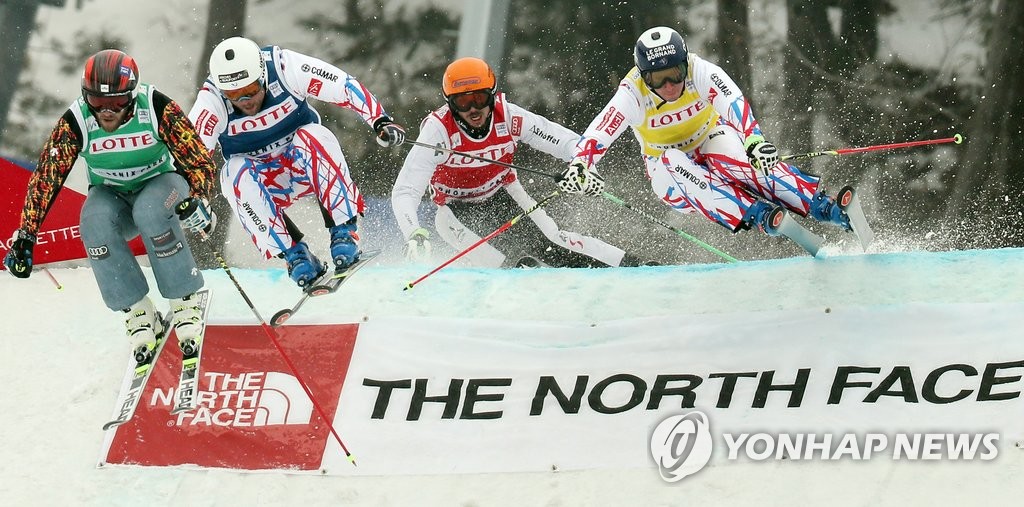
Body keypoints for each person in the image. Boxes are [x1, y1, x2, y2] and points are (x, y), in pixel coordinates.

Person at [3, 49, 217, 363]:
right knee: (93, 222)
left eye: (116, 103)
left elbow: (199, 160)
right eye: (97, 102)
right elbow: (47, 178)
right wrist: (26, 236)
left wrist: (199, 197)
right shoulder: (77, 121)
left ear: (131, 95)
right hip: (111, 193)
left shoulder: (156, 107)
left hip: (161, 184)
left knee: (151, 212)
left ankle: (184, 301)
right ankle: (138, 312)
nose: (106, 111)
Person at [557, 26, 856, 243]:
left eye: (675, 73)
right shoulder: (632, 92)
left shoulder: (698, 71)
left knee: (737, 158)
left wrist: (754, 139)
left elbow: (733, 101)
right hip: (671, 176)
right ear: (643, 75)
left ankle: (826, 208)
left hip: (708, 140)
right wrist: (581, 165)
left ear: (685, 63)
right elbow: (601, 129)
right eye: (658, 79)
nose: (670, 86)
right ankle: (759, 215)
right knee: (673, 158)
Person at [188, 37, 406, 288]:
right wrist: (195, 200)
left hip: (304, 167)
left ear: (262, 75)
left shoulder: (283, 67)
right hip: (265, 185)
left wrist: (380, 120)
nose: (245, 100)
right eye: (234, 94)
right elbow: (192, 154)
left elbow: (342, 85)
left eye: (250, 89)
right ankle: (296, 257)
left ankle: (344, 234)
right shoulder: (212, 100)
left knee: (314, 135)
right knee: (231, 172)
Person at [392, 57, 640, 268]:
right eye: (462, 102)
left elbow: (568, 143)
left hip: (504, 192)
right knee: (507, 261)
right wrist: (413, 232)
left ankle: (629, 265)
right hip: (454, 210)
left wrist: (584, 167)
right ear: (450, 104)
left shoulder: (509, 116)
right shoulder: (438, 131)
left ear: (491, 95)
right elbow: (406, 189)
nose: (473, 109)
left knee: (554, 243)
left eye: (479, 98)